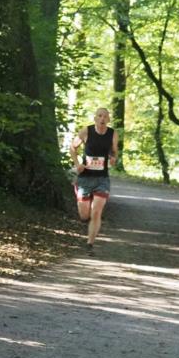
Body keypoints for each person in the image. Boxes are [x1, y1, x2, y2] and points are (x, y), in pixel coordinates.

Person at [69, 108, 119, 255]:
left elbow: (114, 150)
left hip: (102, 179)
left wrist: (113, 157)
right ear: (95, 118)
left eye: (105, 116)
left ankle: (90, 244)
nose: (102, 119)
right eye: (100, 116)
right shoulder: (86, 131)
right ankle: (84, 212)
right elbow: (73, 147)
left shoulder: (113, 133)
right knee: (84, 215)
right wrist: (77, 164)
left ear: (108, 119)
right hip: (85, 178)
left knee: (96, 212)